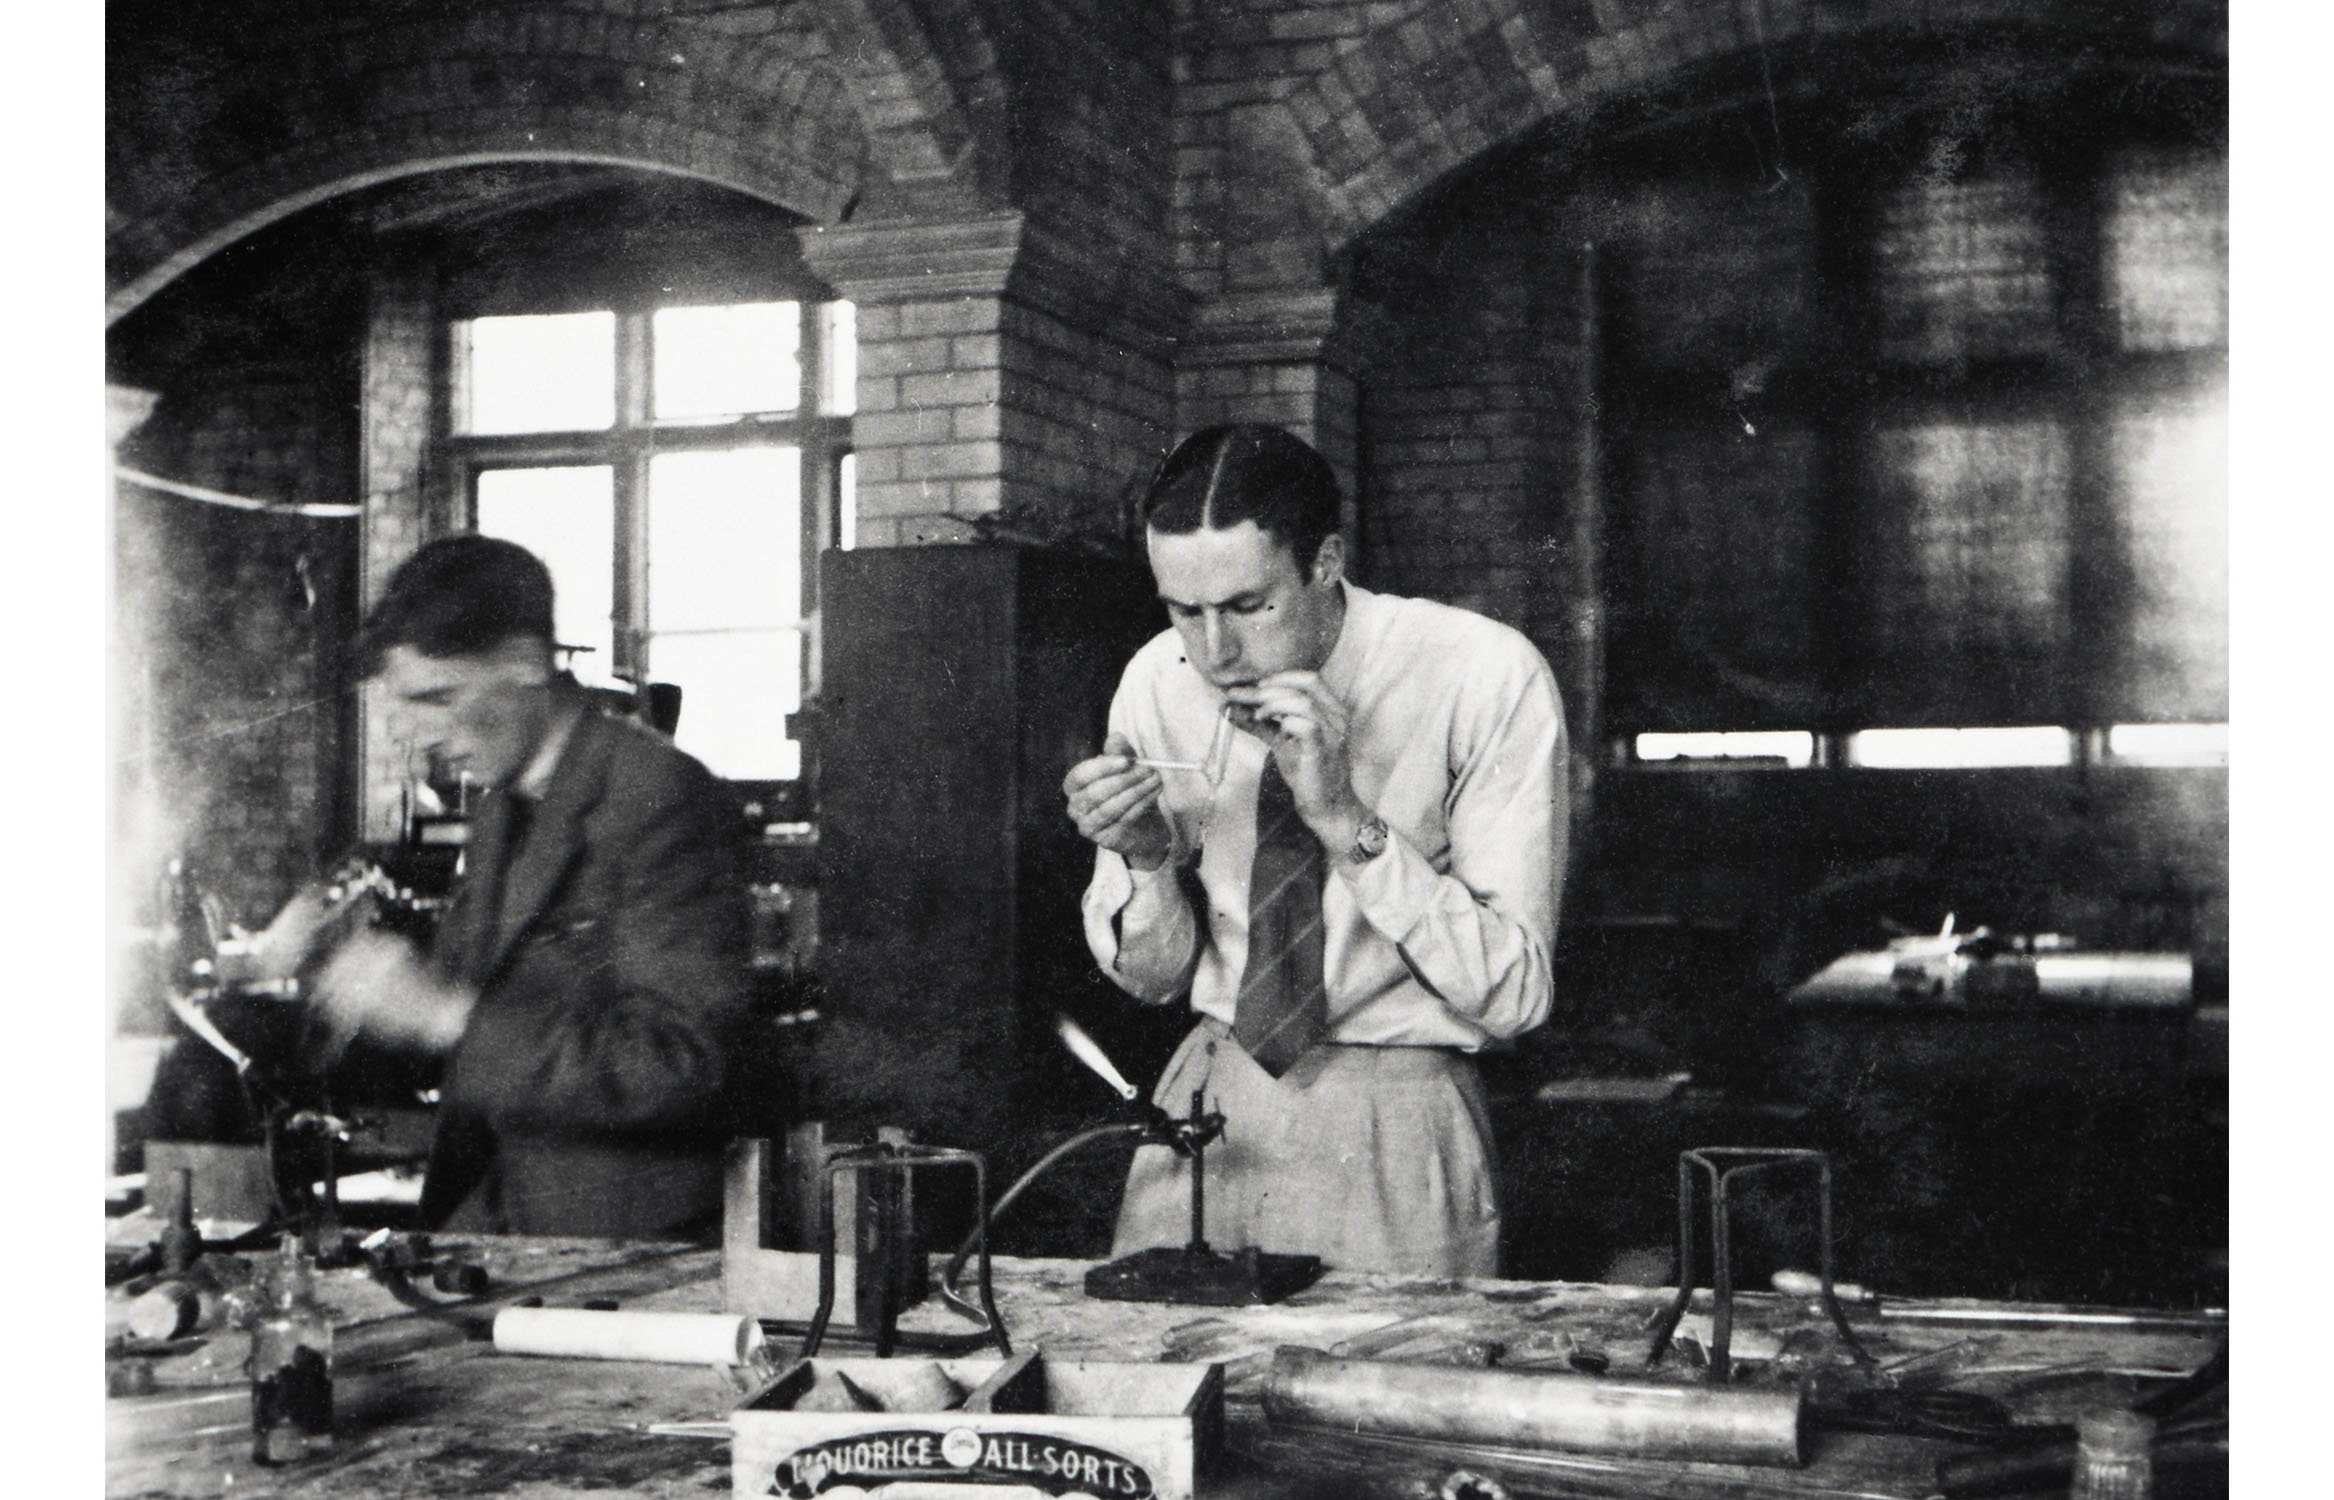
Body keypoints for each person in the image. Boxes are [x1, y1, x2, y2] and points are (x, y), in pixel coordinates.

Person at [1062, 424, 1569, 1278]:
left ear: (1327, 560)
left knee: (1378, 1398)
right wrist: (1148, 859)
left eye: (1249, 607)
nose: (1214, 652)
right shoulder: (1158, 678)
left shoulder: (1483, 674)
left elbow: (1515, 994)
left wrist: (1343, 820)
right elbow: (1152, 981)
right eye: (1185, 609)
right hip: (1214, 1097)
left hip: (1398, 1108)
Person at [261, 535, 750, 1239]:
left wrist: (445, 1016)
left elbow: (682, 1065)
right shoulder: (504, 803)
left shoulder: (657, 794)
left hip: (625, 1250)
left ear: (526, 662)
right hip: (505, 1222)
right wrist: (343, 975)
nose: (414, 737)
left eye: (438, 696)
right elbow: (480, 997)